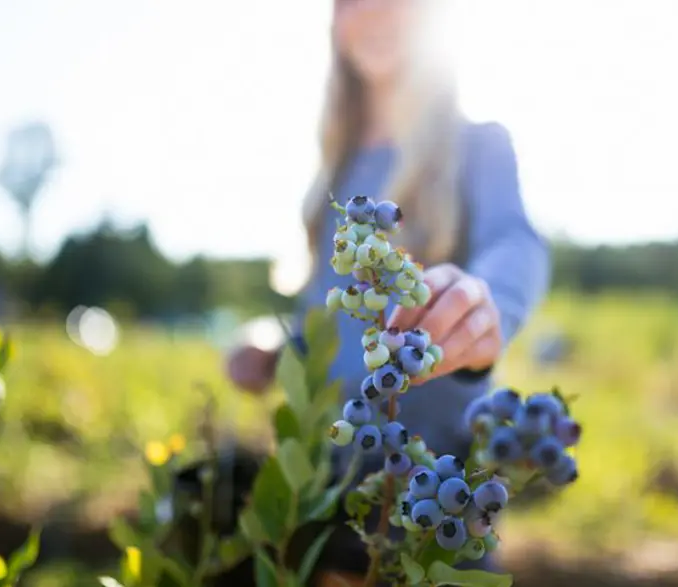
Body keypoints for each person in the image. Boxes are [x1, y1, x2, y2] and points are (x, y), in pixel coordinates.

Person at [226, 0, 551, 578]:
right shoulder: (336, 171)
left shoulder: (478, 146)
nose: (374, 9)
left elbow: (515, 243)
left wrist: (485, 302)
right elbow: (326, 325)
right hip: (334, 478)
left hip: (434, 476)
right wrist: (275, 347)